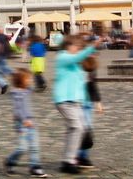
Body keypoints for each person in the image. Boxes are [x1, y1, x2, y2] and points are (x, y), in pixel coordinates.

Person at [49, 32, 97, 174]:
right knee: (76, 128)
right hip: (64, 100)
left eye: (80, 47)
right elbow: (77, 57)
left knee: (77, 129)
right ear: (69, 45)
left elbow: (82, 80)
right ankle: (69, 161)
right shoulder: (62, 57)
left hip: (76, 101)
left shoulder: (76, 63)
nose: (79, 49)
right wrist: (91, 47)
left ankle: (69, 159)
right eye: (77, 46)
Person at [3, 68, 45, 176]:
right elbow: (18, 110)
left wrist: (30, 74)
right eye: (28, 79)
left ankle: (35, 167)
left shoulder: (27, 90)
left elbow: (31, 86)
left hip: (31, 122)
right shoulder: (16, 94)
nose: (30, 81)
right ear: (21, 81)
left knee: (35, 146)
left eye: (30, 79)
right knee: (22, 148)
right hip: (22, 124)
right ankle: (10, 161)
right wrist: (24, 120)